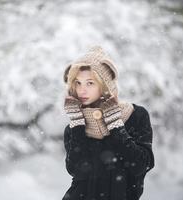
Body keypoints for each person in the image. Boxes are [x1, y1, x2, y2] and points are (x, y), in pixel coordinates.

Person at [61, 46, 155, 200]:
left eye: (90, 83)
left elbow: (140, 165)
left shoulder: (135, 116)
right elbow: (76, 171)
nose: (82, 90)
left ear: (104, 84)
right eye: (78, 83)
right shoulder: (74, 126)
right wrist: (78, 125)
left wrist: (115, 125)